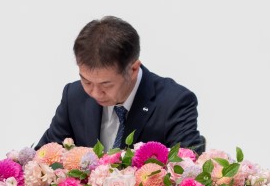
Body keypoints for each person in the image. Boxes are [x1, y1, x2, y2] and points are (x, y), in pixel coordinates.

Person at [38, 16, 204, 152]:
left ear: (133, 69)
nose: (95, 93)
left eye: (106, 84)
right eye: (86, 81)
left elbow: (188, 169)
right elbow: (43, 158)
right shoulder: (74, 95)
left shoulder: (174, 102)